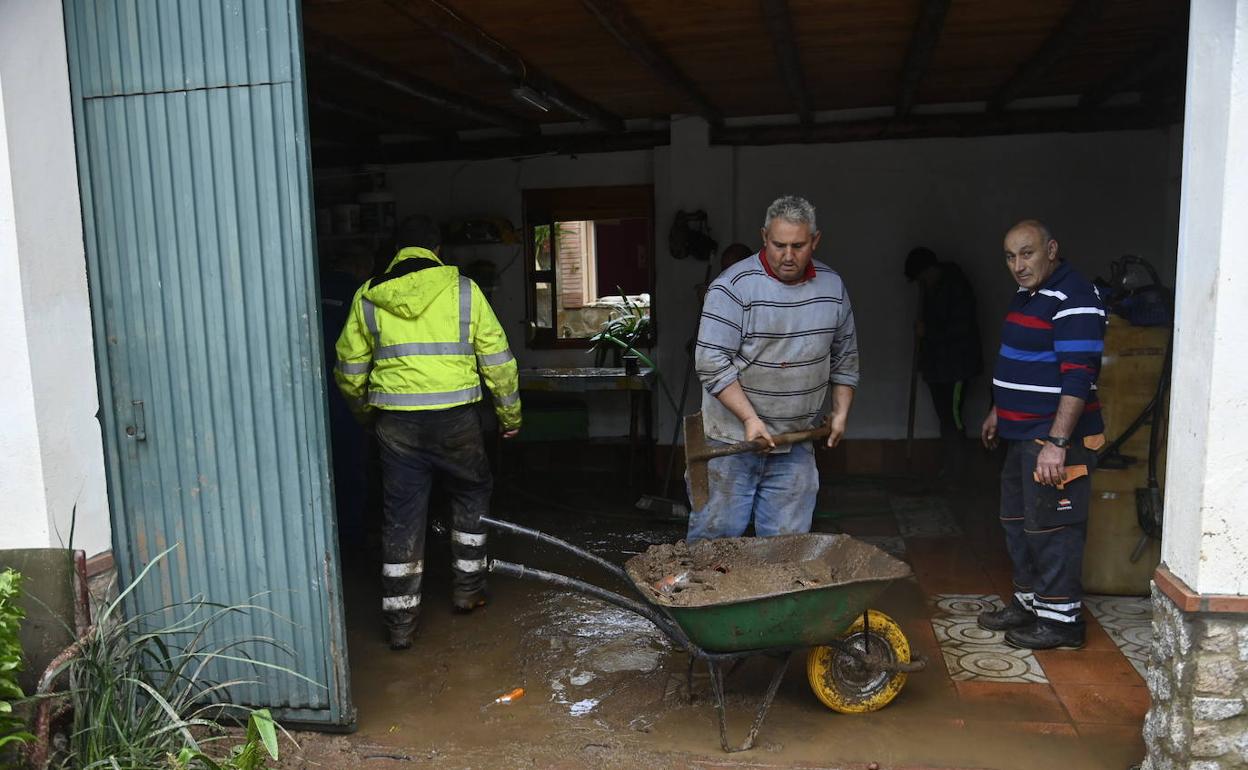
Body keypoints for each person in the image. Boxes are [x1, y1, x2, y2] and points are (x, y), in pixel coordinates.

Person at [334, 216, 521, 651]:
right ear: (437, 250)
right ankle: (468, 590)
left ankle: (400, 623)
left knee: (401, 514)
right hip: (457, 420)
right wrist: (510, 418)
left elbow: (348, 372)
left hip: (396, 425)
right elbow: (499, 363)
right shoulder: (464, 291)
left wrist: (368, 416)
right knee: (472, 494)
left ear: (397, 251)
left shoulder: (367, 295)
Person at [688, 195, 859, 541]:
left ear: (815, 240)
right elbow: (711, 363)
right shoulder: (732, 288)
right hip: (730, 443)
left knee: (787, 547)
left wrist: (840, 412)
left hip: (795, 442)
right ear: (764, 236)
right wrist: (751, 420)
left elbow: (845, 355)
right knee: (715, 543)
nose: (787, 255)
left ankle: (774, 597)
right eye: (778, 244)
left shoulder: (832, 288)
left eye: (798, 245)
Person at [977, 219, 1106, 650]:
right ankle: (1030, 603)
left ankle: (1061, 620)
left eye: (1027, 253)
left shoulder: (1076, 298)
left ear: (1052, 249)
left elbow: (1077, 379)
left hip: (1052, 439)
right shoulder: (1029, 295)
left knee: (1054, 527)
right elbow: (1018, 359)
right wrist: (999, 409)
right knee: (1019, 522)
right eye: (1010, 256)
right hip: (1021, 433)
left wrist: (1058, 443)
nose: (1018, 264)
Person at [903, 246, 982, 486]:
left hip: (957, 366)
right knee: (944, 417)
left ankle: (959, 472)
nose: (921, 282)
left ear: (930, 270)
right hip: (937, 367)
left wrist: (929, 331)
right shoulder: (930, 288)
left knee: (953, 418)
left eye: (922, 277)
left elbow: (961, 329)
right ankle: (949, 469)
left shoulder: (956, 287)